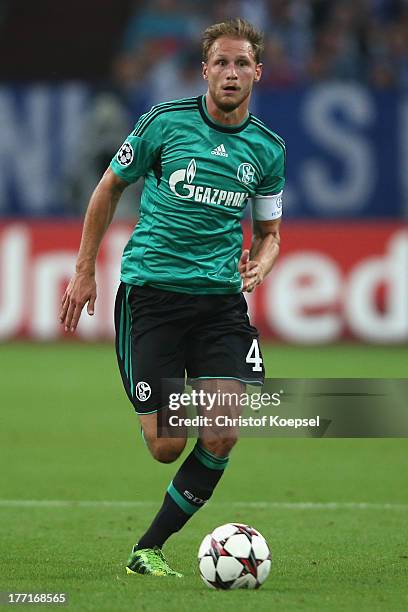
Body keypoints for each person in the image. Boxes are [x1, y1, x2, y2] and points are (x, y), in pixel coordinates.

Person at [59, 17, 285, 578]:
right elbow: (110, 186)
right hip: (152, 297)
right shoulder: (165, 123)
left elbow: (270, 234)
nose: (230, 72)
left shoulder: (268, 149)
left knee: (225, 428)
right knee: (166, 445)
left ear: (257, 72)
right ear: (204, 69)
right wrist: (84, 269)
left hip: (219, 307)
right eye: (220, 62)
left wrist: (261, 263)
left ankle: (148, 548)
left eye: (241, 63)